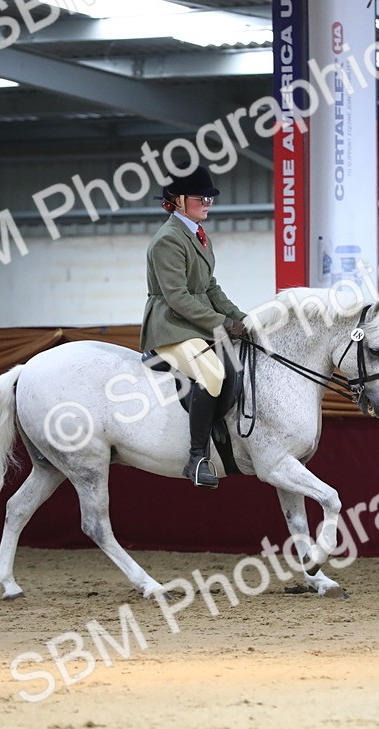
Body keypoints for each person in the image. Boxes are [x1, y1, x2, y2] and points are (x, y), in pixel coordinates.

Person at [140, 164, 248, 488]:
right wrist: (222, 322)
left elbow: (210, 287)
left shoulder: (198, 235)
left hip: (195, 322)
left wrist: (241, 318)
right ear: (178, 200)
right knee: (212, 373)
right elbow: (177, 298)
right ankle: (197, 458)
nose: (207, 202)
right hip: (170, 325)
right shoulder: (167, 240)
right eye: (200, 197)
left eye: (209, 197)